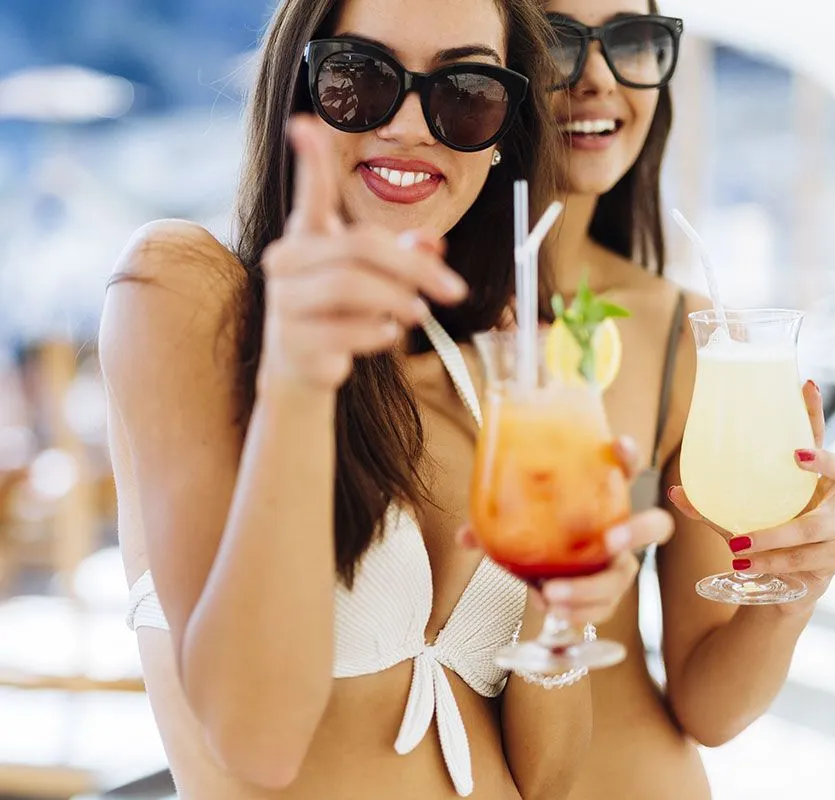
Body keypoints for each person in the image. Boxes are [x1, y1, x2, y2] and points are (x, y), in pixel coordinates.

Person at [98, 0, 673, 797]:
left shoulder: (492, 372)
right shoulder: (183, 291)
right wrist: (297, 385)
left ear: (503, 131)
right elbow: (254, 745)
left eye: (466, 90)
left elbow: (546, 780)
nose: (410, 124)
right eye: (359, 78)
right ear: (297, 87)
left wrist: (562, 614)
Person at [534, 1, 835, 797]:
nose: (600, 77)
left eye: (632, 41)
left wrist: (785, 602)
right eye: (557, 40)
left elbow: (710, 709)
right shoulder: (381, 317)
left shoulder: (685, 332)